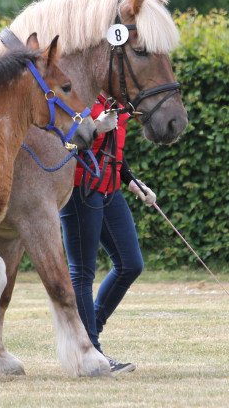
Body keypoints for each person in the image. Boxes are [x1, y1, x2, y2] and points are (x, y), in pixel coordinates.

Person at [60, 93, 156, 374]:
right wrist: (96, 127)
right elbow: (61, 145)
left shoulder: (118, 101)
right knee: (82, 272)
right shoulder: (80, 96)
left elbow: (113, 151)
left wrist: (134, 183)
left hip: (110, 190)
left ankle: (87, 332)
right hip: (80, 188)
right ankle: (90, 349)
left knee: (131, 264)